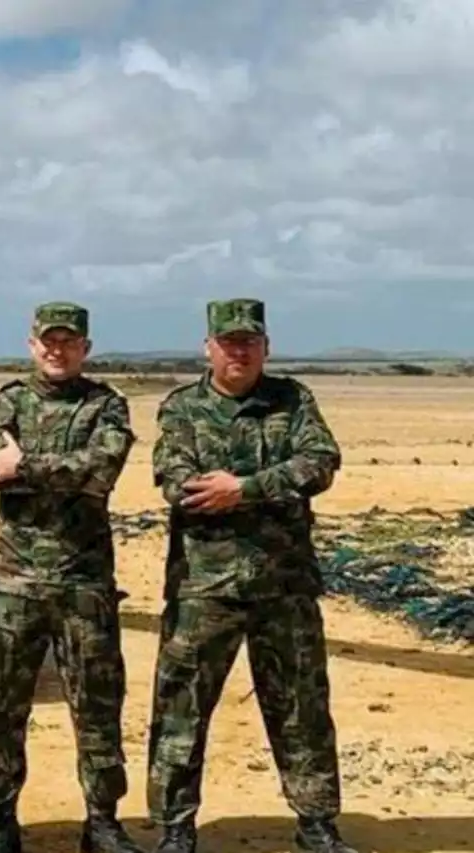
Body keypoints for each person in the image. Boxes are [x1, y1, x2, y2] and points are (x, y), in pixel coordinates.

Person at [146, 298, 357, 853]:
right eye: (228, 341)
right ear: (208, 346)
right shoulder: (181, 409)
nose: (239, 351)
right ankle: (175, 828)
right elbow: (179, 485)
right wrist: (271, 485)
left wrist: (244, 488)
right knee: (180, 713)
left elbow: (321, 462)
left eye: (250, 342)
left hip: (283, 587)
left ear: (266, 346)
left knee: (301, 710)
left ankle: (317, 824)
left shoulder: (293, 399)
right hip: (203, 589)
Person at [0, 302, 143, 853]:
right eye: (48, 340)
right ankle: (1, 821)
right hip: (14, 583)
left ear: (85, 348)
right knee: (2, 706)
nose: (57, 349)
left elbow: (103, 471)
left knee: (97, 705)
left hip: (84, 582)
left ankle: (102, 821)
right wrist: (51, 469)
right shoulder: (9, 401)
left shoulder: (106, 405)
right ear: (31, 344)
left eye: (68, 341)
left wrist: (26, 466)